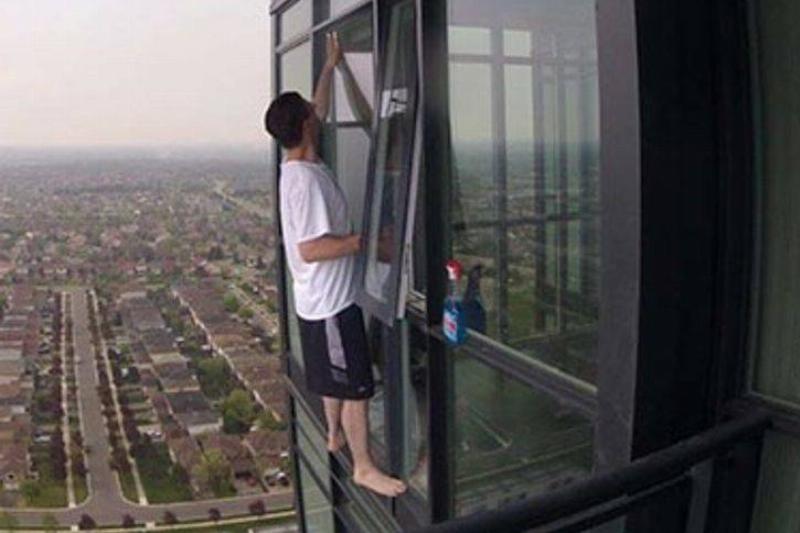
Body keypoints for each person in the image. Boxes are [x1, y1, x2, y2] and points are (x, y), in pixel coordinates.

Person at [264, 33, 407, 498]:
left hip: (318, 303)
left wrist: (330, 67)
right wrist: (363, 243)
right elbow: (309, 248)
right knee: (356, 388)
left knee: (329, 375)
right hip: (331, 304)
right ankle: (364, 466)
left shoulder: (299, 160)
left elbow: (319, 106)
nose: (317, 112)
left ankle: (331, 433)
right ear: (306, 125)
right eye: (311, 111)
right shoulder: (303, 183)